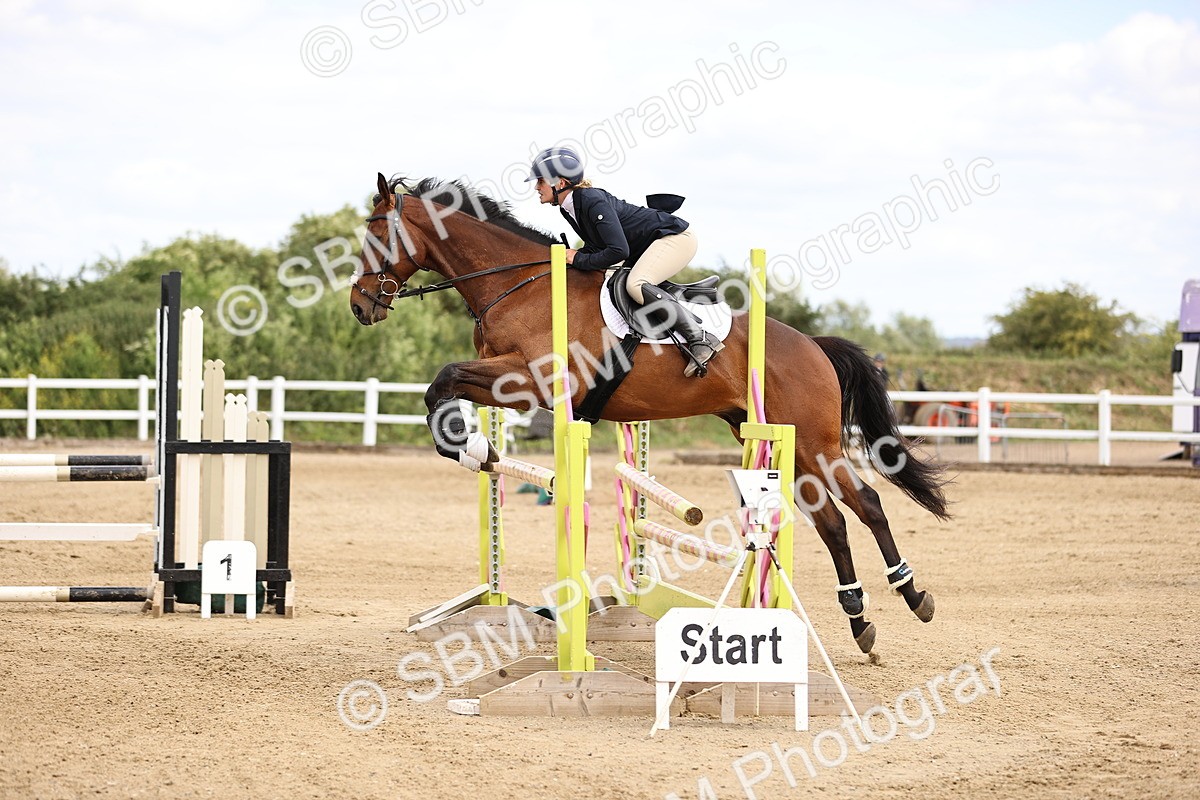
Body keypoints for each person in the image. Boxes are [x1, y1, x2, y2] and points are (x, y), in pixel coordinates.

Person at [527, 145, 723, 377]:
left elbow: (618, 251)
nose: (536, 187)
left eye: (540, 181)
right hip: (648, 245)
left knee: (636, 284)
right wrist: (575, 257)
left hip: (675, 238)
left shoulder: (590, 200)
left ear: (559, 183)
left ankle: (700, 338)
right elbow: (598, 246)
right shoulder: (569, 207)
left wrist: (578, 257)